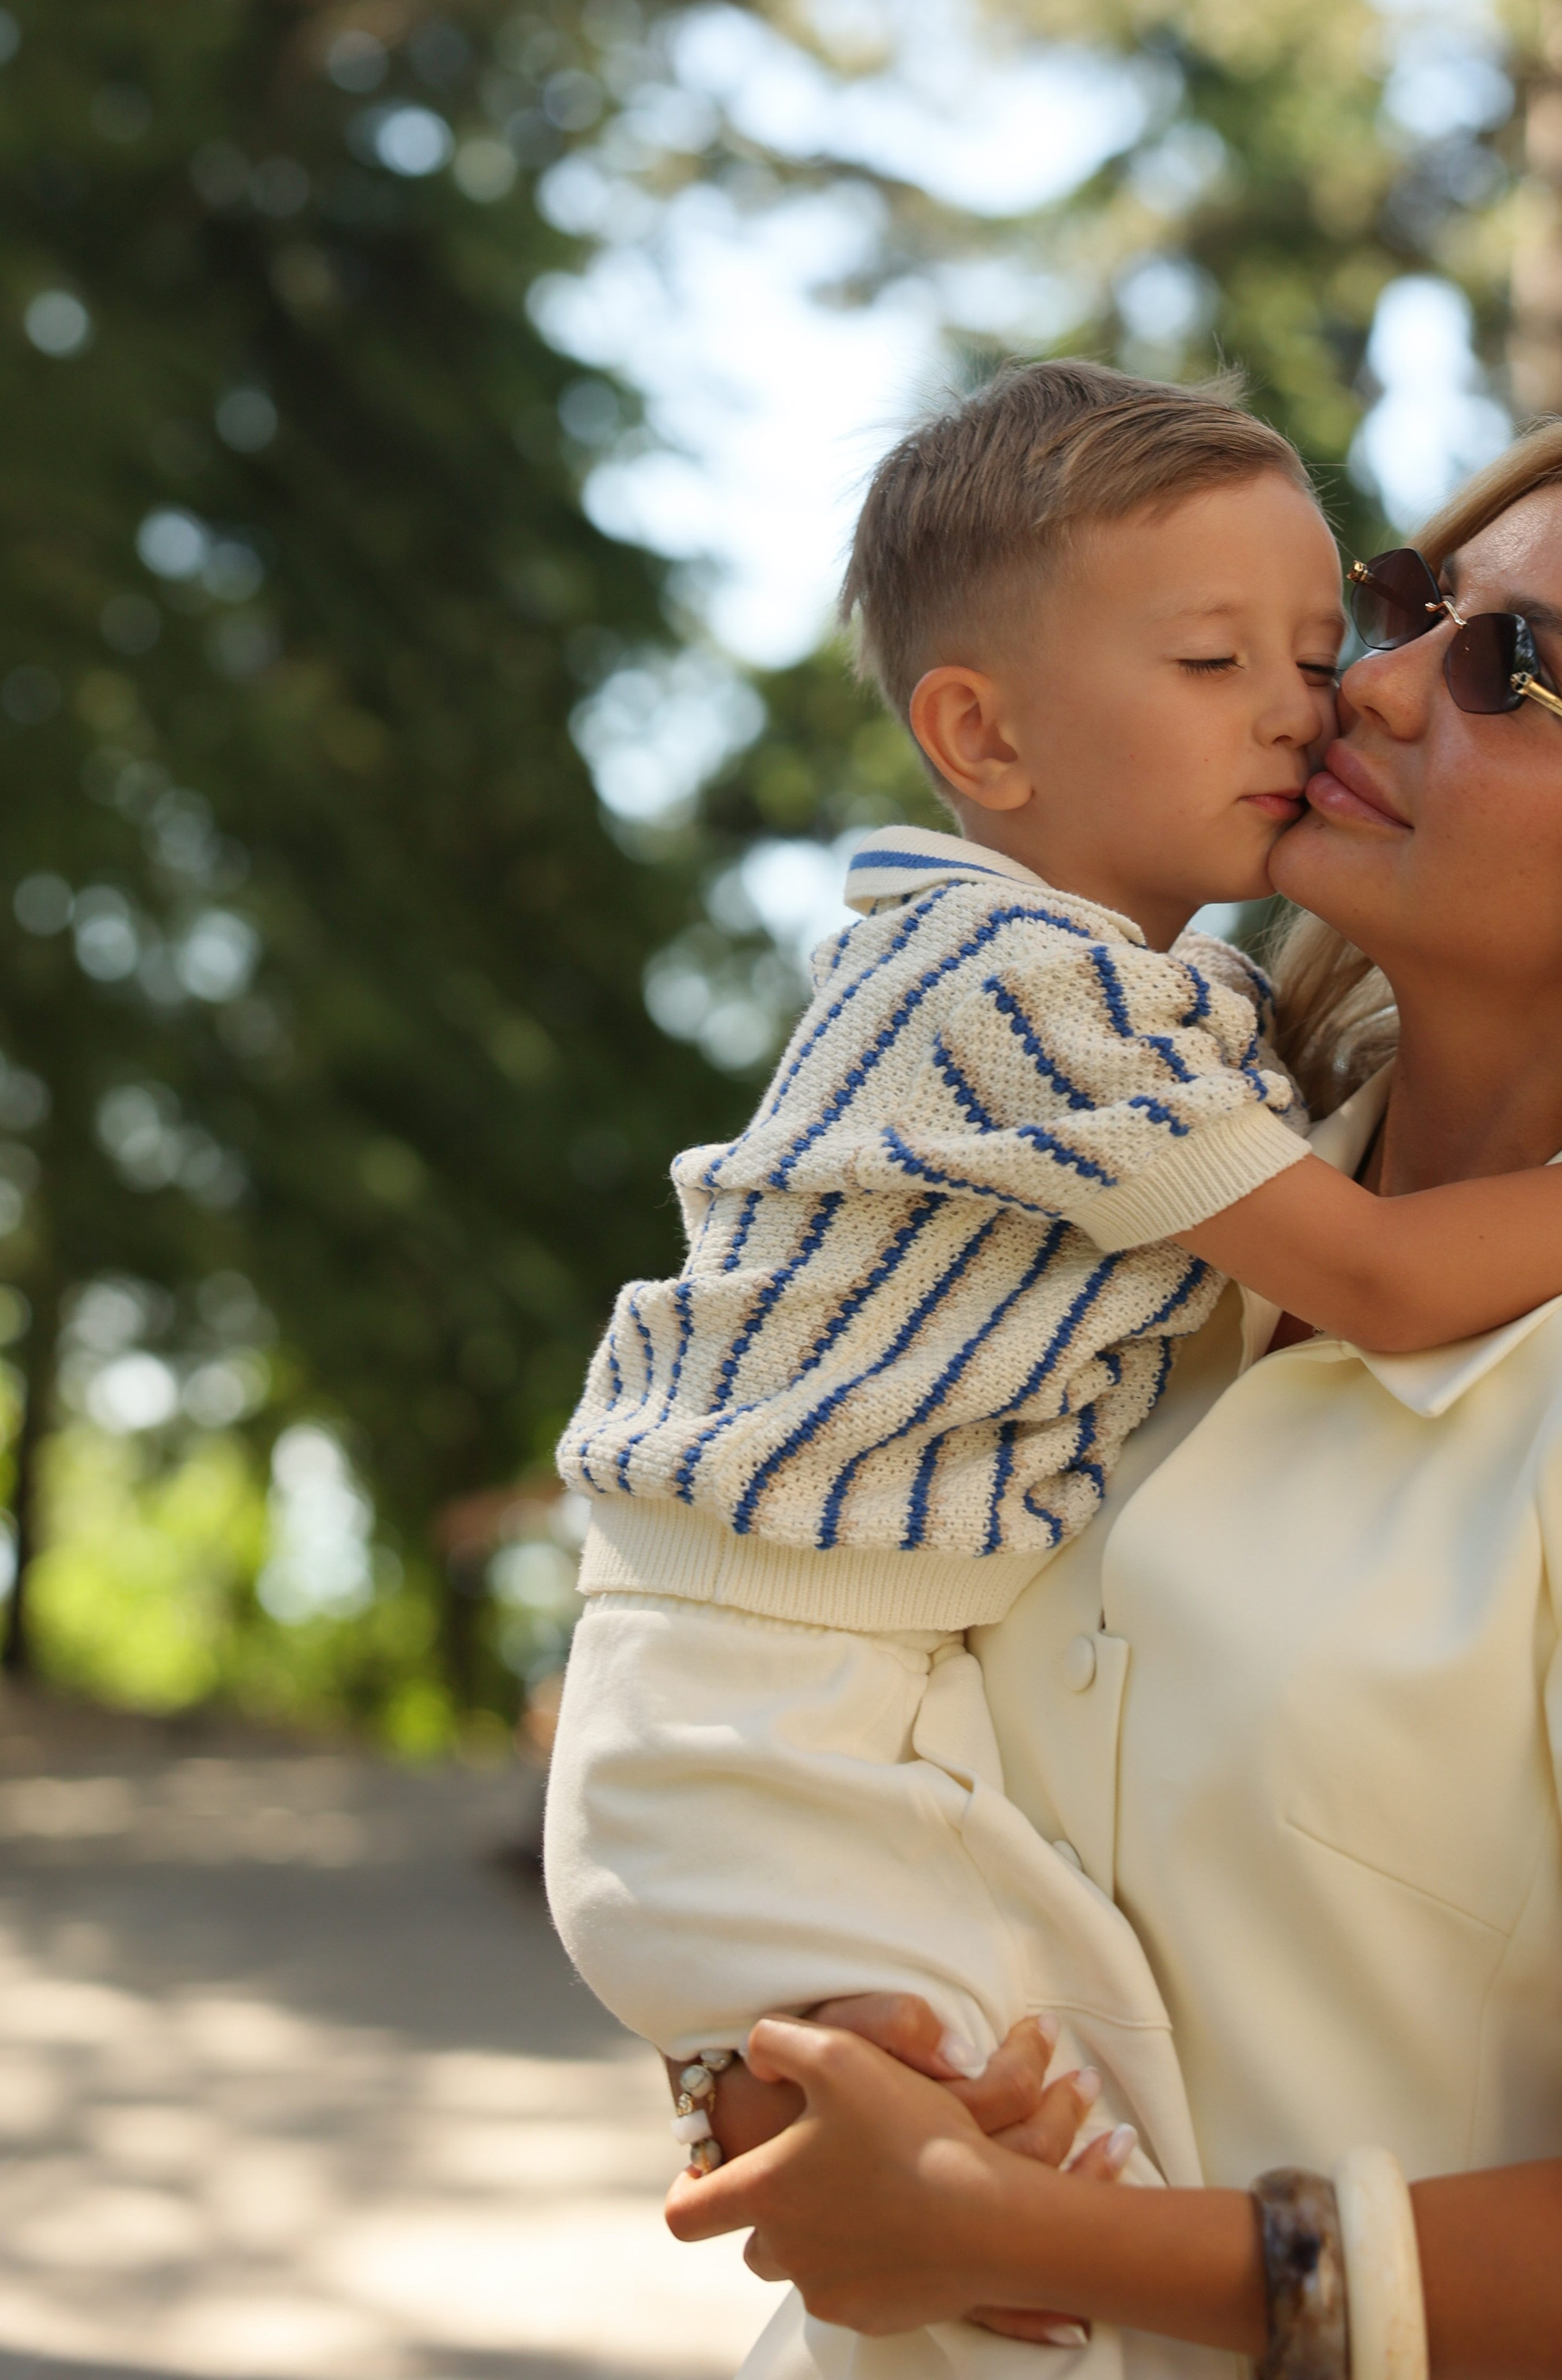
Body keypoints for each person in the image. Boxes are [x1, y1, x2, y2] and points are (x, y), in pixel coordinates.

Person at [662, 422, 1562, 2380]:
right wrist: (781, 2056)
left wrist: (1057, 2242)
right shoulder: (1115, 1205)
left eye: (1523, 665)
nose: (1365, 685)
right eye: (1412, 607)